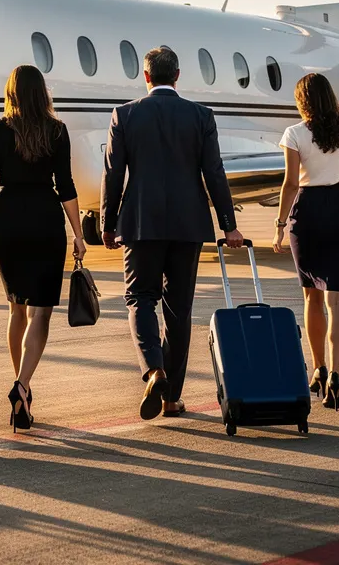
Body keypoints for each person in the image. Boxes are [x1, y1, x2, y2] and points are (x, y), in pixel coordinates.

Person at [101, 46, 242, 421]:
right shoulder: (200, 116)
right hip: (188, 224)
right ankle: (171, 398)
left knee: (139, 298)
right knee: (179, 309)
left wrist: (107, 224)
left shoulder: (125, 115)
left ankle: (154, 369)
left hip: (141, 224)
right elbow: (214, 172)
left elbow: (114, 175)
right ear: (177, 76)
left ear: (146, 77)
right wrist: (229, 226)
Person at [0, 64, 85, 431]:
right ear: (42, 93)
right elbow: (67, 187)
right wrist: (78, 234)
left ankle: (21, 389)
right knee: (40, 313)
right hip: (45, 221)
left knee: (16, 309)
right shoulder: (57, 131)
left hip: (9, 222)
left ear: (11, 93)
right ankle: (23, 385)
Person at [270, 72, 339, 411]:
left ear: (302, 101)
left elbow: (290, 184)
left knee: (311, 297)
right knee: (338, 300)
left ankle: (317, 368)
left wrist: (279, 225)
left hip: (307, 216)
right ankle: (335, 374)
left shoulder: (295, 134)